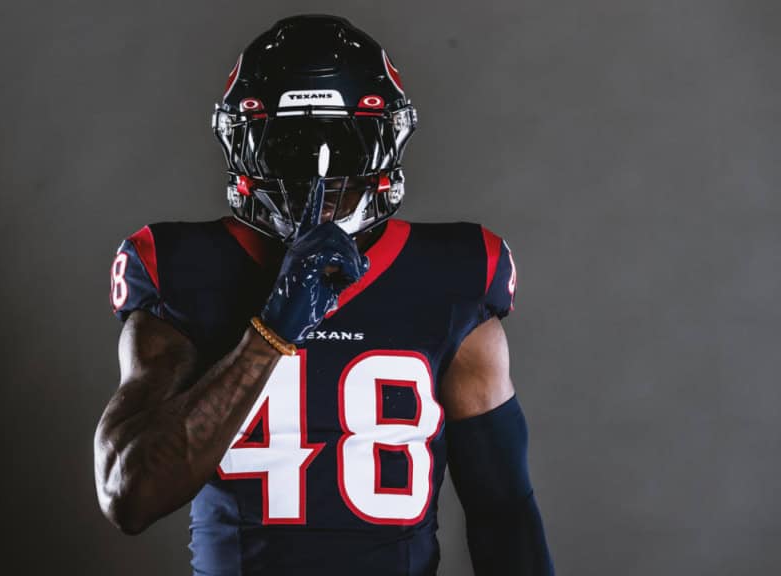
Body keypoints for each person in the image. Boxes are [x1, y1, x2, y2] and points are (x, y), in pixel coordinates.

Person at [94, 14, 554, 576]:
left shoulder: (453, 275)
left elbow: (502, 510)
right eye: (289, 145)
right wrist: (270, 336)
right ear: (245, 146)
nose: (318, 174)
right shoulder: (181, 269)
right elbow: (129, 495)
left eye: (342, 143)